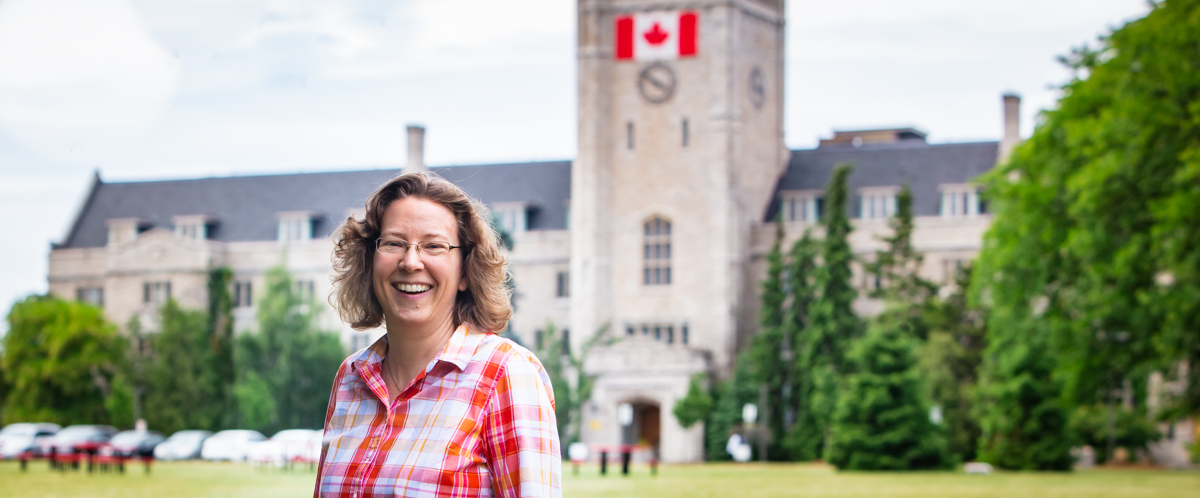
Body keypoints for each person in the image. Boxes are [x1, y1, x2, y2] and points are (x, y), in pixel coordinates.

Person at [315, 172, 561, 497]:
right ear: (370, 260)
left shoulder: (506, 374)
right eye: (393, 243)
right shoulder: (350, 378)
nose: (411, 261)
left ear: (464, 272)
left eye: (434, 245)